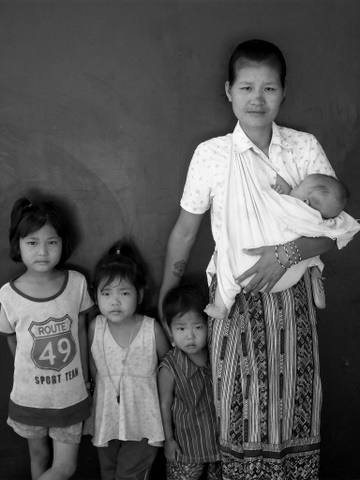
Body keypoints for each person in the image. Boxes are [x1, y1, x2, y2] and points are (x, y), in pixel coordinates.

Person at [158, 39, 360, 479]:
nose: (257, 98)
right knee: (237, 403)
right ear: (228, 90)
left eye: (269, 88)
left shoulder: (302, 148)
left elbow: (330, 230)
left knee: (294, 403)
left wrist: (285, 255)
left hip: (292, 303)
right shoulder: (212, 156)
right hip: (234, 297)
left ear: (283, 91)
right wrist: (165, 301)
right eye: (247, 87)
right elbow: (184, 233)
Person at [0, 197, 94, 480]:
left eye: (51, 242)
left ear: (63, 243)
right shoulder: (8, 294)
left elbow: (81, 333)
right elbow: (13, 343)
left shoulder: (76, 283)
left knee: (65, 467)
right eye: (32, 243)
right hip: (29, 399)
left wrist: (87, 382)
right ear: (18, 245)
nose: (43, 251)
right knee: (39, 460)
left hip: (71, 397)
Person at [206, 172, 352, 319]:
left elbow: (265, 201)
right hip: (288, 279)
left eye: (299, 186)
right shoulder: (321, 223)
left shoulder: (291, 205)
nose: (294, 186)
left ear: (305, 202)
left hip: (251, 266)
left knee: (227, 255)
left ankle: (221, 306)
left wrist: (274, 194)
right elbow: (337, 234)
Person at [86, 241, 170, 480]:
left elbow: (168, 368)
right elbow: (95, 368)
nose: (115, 301)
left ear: (140, 294)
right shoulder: (96, 327)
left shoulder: (150, 329)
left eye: (124, 293)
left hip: (143, 418)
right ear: (96, 295)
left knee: (129, 475)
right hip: (107, 416)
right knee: (108, 474)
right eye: (106, 293)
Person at [158, 284, 222, 480]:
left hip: (218, 445)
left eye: (197, 327)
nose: (190, 336)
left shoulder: (217, 357)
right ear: (170, 331)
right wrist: (168, 440)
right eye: (181, 328)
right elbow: (164, 404)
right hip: (186, 448)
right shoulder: (170, 366)